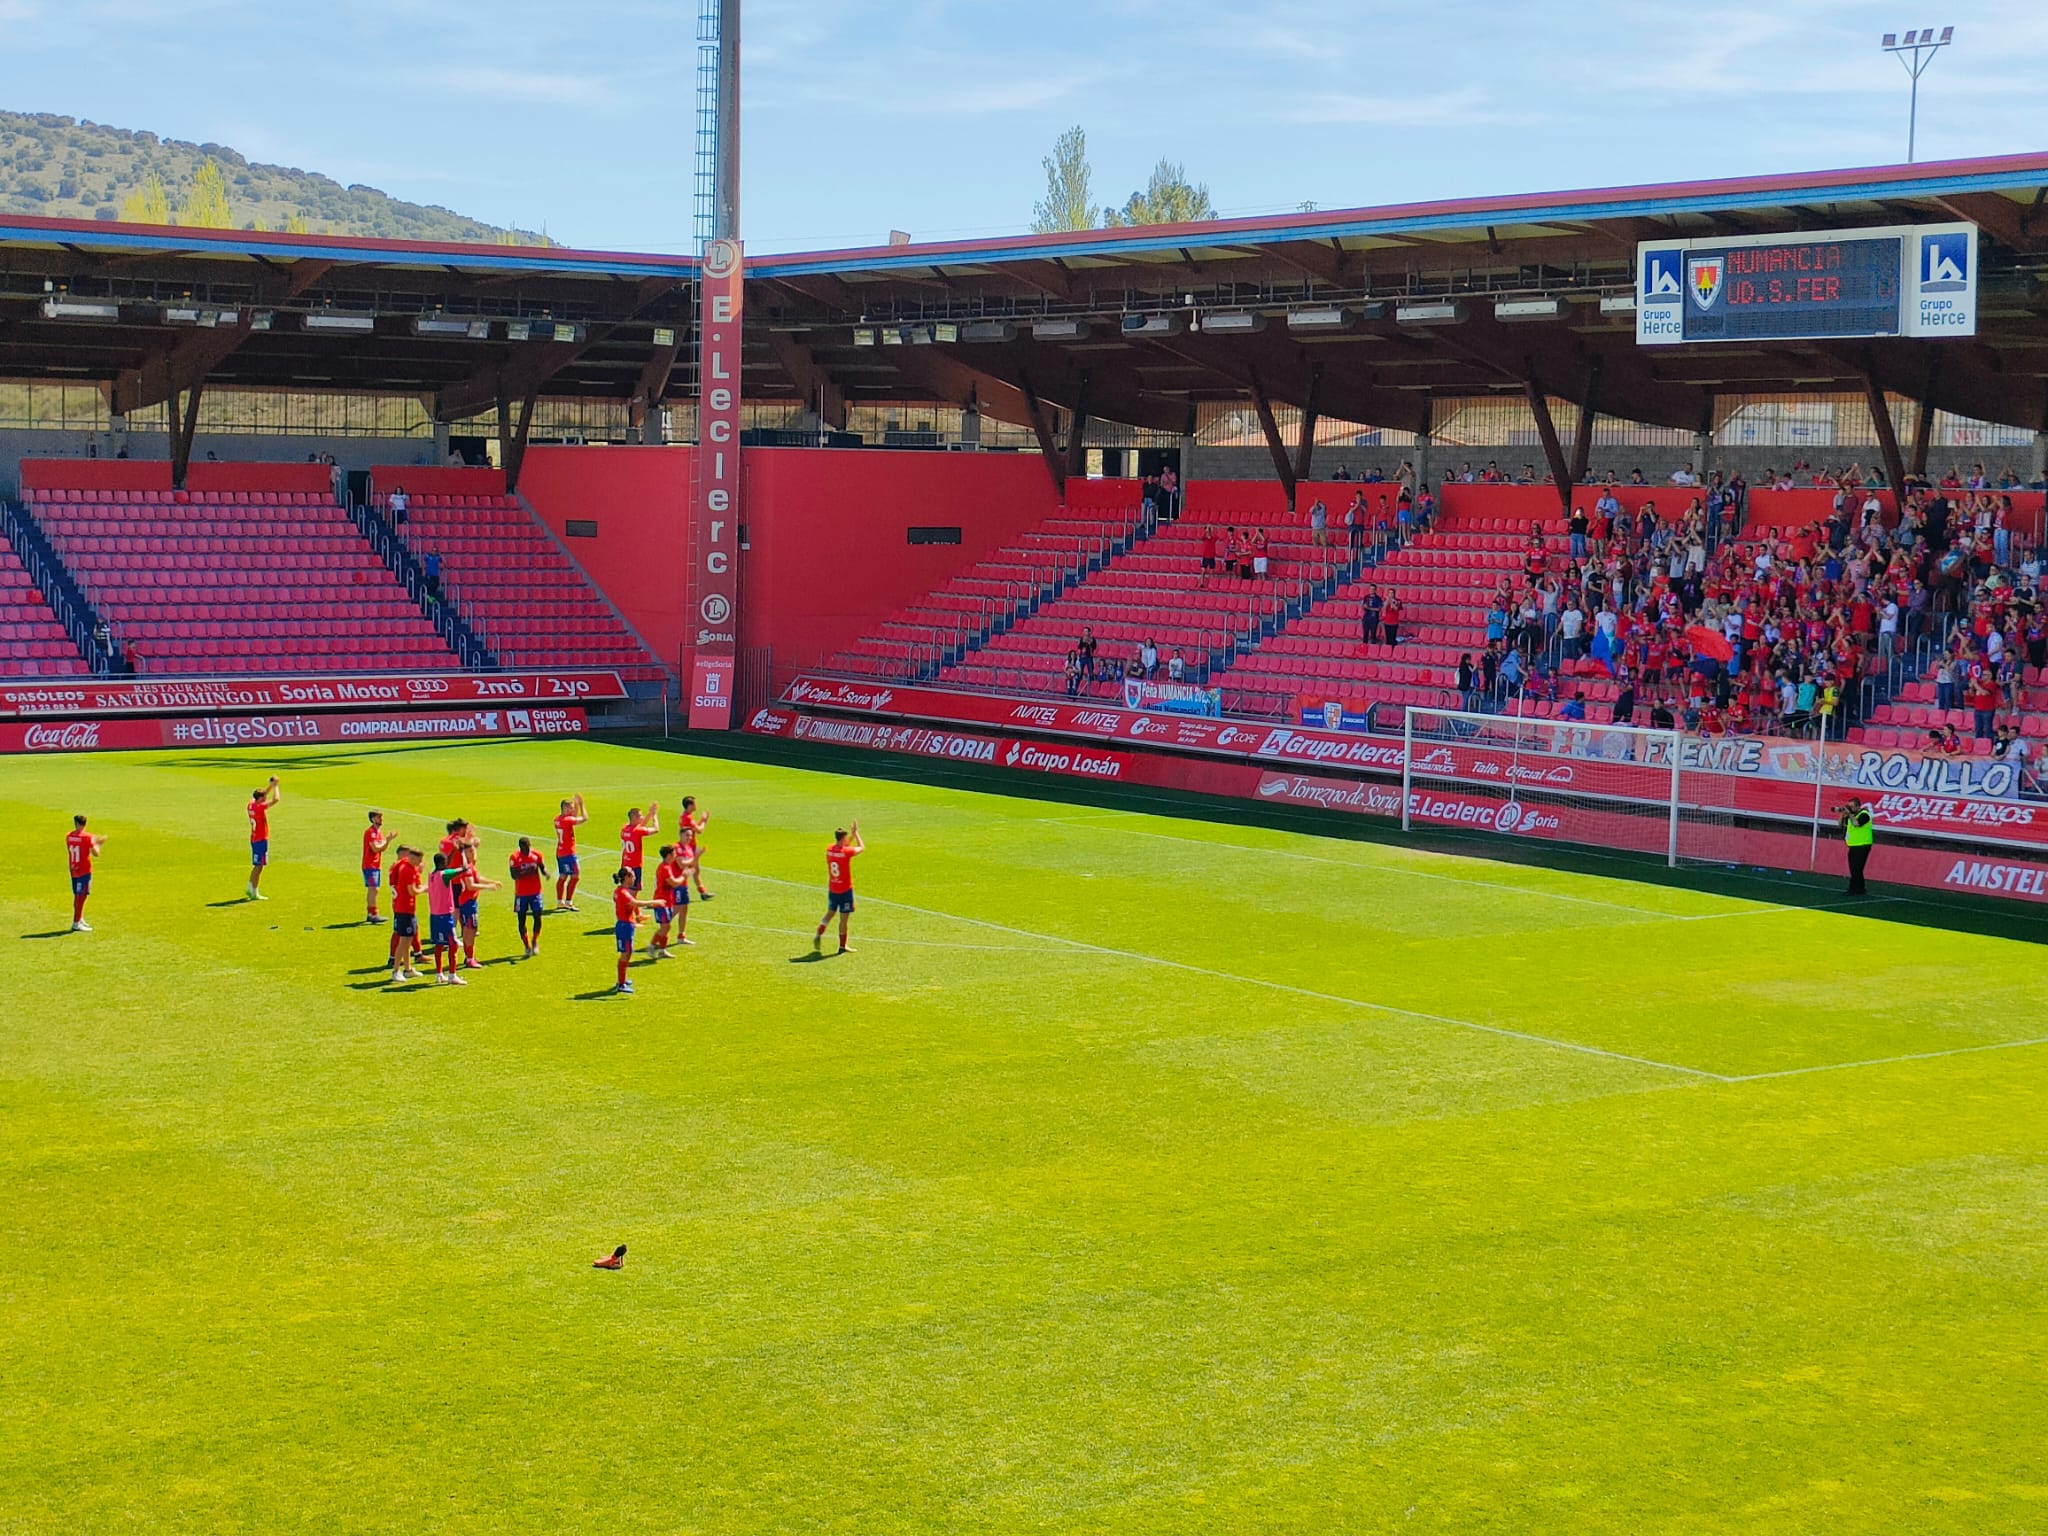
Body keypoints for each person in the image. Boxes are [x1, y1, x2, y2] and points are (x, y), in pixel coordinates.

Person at [814, 820, 864, 956]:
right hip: (845, 890)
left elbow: (844, 846)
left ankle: (820, 928)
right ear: (843, 838)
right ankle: (842, 946)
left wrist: (851, 835)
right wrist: (857, 834)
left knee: (830, 913)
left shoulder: (830, 849)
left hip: (833, 888)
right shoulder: (846, 852)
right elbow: (861, 847)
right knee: (843, 919)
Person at [426, 853, 466, 986]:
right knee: (453, 945)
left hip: (434, 915)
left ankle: (439, 974)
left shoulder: (431, 875)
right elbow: (464, 868)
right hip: (445, 915)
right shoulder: (445, 874)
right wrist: (463, 854)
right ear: (443, 863)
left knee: (439, 944)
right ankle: (452, 975)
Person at [387, 847, 425, 982]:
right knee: (403, 941)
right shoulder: (408, 870)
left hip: (407, 909)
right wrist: (425, 889)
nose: (420, 863)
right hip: (404, 909)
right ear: (413, 858)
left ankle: (408, 969)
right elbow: (411, 891)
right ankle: (396, 970)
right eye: (419, 861)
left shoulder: (407, 866)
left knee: (408, 940)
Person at [611, 867, 651, 994]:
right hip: (624, 926)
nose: (634, 878)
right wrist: (655, 902)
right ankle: (621, 983)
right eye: (632, 876)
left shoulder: (619, 891)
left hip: (625, 925)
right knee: (625, 954)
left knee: (627, 953)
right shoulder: (623, 893)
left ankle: (622, 979)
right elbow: (635, 903)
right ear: (627, 877)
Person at [509, 837, 549, 958]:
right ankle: (526, 945)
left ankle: (535, 940)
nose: (527, 850)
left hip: (536, 892)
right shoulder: (514, 857)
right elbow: (514, 875)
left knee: (538, 916)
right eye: (525, 848)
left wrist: (546, 872)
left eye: (529, 848)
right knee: (521, 920)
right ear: (520, 848)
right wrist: (527, 872)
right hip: (521, 894)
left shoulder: (536, 855)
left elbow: (542, 867)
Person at [66, 814, 103, 933]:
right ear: (85, 824)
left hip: (73, 869)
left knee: (77, 896)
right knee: (81, 896)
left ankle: (79, 918)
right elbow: (96, 853)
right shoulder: (88, 837)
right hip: (84, 869)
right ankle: (76, 923)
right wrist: (98, 844)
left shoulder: (69, 836)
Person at [246, 776, 280, 901]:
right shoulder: (260, 808)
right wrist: (276, 787)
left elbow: (262, 795)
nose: (265, 799)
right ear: (260, 799)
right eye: (263, 798)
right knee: (259, 866)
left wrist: (270, 785)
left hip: (254, 838)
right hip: (260, 839)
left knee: (257, 865)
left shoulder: (251, 804)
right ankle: (254, 891)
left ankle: (251, 887)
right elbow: (276, 799)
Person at [553, 793, 587, 910]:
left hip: (560, 851)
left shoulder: (558, 819)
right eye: (571, 808)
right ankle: (568, 901)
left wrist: (575, 805)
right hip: (568, 853)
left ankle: (560, 901)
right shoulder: (567, 820)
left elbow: (573, 817)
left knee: (563, 876)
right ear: (565, 808)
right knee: (575, 876)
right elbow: (584, 818)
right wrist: (582, 805)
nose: (572, 810)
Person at [678, 794, 715, 899]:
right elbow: (699, 830)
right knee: (690, 870)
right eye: (694, 804)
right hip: (688, 847)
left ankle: (702, 892)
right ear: (689, 805)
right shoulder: (688, 818)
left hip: (688, 846)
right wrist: (704, 820)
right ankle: (674, 892)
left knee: (695, 869)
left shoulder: (684, 816)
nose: (696, 806)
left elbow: (695, 828)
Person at [1839, 796, 1875, 896]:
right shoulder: (1852, 816)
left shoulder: (1864, 815)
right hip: (1853, 845)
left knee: (1857, 868)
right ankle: (1860, 888)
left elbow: (1857, 824)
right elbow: (1840, 825)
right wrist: (1842, 815)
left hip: (1863, 845)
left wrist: (1850, 814)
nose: (1850, 808)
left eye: (1852, 806)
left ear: (1858, 806)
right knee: (1854, 868)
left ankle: (1854, 888)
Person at [619, 801, 659, 891]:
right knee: (634, 890)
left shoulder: (625, 828)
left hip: (625, 863)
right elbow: (656, 829)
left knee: (627, 887)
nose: (643, 817)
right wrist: (654, 815)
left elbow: (640, 825)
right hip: (635, 865)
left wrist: (650, 813)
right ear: (634, 817)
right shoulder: (637, 831)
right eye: (640, 816)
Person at [361, 810, 390, 924]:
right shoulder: (370, 832)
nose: (381, 819)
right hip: (370, 864)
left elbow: (382, 848)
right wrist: (387, 840)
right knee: (373, 889)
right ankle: (372, 914)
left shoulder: (378, 832)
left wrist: (386, 841)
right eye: (379, 817)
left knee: (374, 889)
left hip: (375, 864)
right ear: (373, 819)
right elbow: (375, 848)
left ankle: (372, 913)